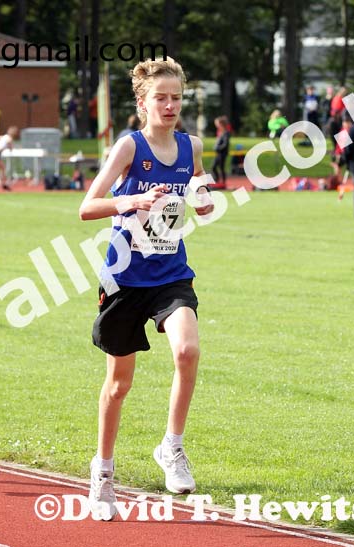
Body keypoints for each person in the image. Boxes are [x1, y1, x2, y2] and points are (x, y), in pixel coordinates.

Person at [78, 57, 214, 521]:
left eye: (177, 97)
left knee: (188, 350)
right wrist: (133, 199)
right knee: (119, 385)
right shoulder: (129, 147)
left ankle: (171, 447)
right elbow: (87, 206)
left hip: (171, 273)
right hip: (125, 278)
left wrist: (204, 197)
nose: (171, 105)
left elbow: (201, 195)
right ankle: (103, 473)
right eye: (162, 98)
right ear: (143, 103)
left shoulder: (192, 145)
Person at [211, 116, 230, 186]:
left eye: (217, 123)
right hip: (218, 153)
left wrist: (217, 148)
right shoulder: (220, 132)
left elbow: (225, 144)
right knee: (215, 167)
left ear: (221, 124)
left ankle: (222, 182)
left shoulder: (226, 133)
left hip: (222, 153)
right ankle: (217, 180)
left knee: (219, 167)